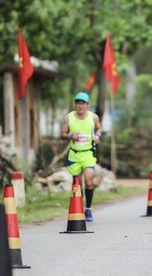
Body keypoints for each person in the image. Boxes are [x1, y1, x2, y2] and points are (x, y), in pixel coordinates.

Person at [60, 92, 102, 222]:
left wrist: (97, 136)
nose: (80, 106)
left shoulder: (93, 117)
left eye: (83, 103)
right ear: (75, 105)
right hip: (74, 154)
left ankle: (88, 209)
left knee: (88, 180)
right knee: (77, 184)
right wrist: (69, 136)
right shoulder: (69, 117)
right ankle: (80, 208)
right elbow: (62, 134)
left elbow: (99, 129)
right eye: (78, 103)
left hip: (88, 153)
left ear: (87, 105)